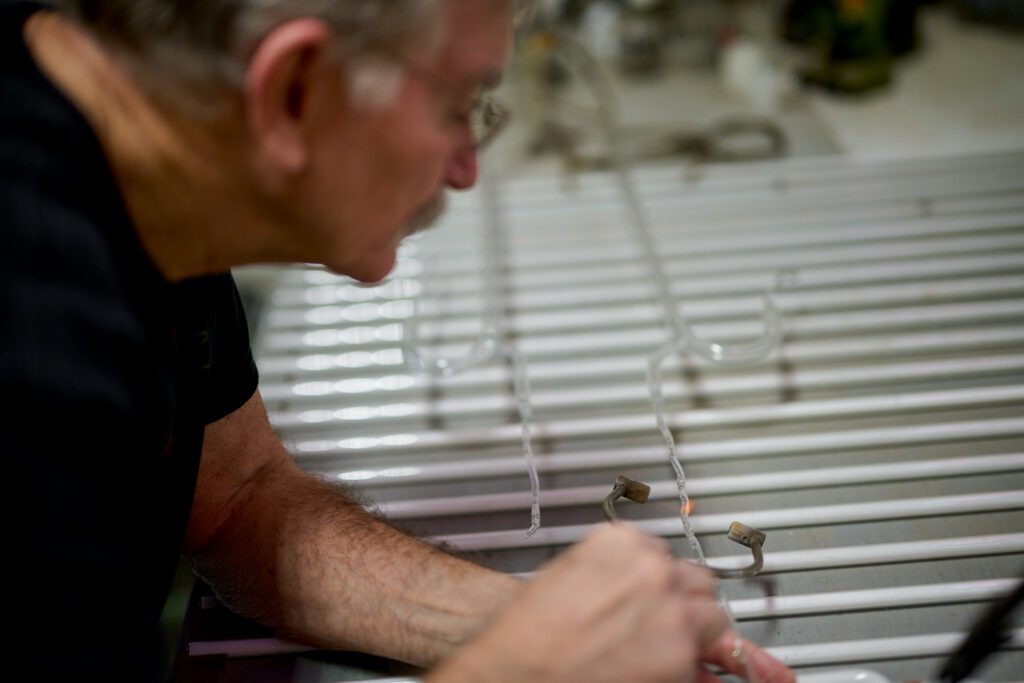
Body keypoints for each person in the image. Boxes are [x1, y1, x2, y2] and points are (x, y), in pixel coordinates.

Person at [0, 0, 796, 681]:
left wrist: (539, 624)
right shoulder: (36, 364)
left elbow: (233, 498)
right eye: (459, 107)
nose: (465, 170)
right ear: (292, 90)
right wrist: (516, 667)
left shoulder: (131, 154)